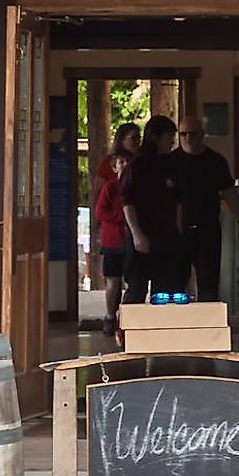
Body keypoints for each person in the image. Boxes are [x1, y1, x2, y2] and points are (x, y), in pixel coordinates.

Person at [170, 112, 238, 304]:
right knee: (175, 283)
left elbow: (229, 191)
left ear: (202, 135)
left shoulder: (215, 161)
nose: (188, 138)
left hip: (207, 229)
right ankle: (177, 326)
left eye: (192, 134)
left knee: (208, 283)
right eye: (183, 134)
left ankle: (207, 326)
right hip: (178, 231)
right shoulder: (171, 161)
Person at [121, 115, 186, 303]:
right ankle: (129, 331)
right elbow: (127, 201)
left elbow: (178, 199)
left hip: (167, 236)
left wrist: (178, 230)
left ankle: (160, 331)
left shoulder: (170, 163)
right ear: (155, 138)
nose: (172, 141)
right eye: (169, 137)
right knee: (136, 291)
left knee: (165, 293)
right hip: (142, 236)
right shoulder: (138, 165)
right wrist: (137, 235)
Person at [89, 120, 142, 332]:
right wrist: (110, 220)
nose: (137, 142)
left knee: (133, 279)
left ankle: (129, 320)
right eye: (133, 138)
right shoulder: (109, 175)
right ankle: (110, 316)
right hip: (114, 235)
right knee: (113, 279)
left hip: (133, 234)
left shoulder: (141, 162)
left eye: (139, 138)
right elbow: (99, 200)